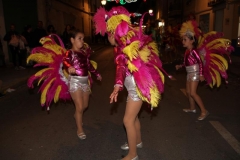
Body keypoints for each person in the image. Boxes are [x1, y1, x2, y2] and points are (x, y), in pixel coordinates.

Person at [94, 6, 165, 160]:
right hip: (134, 87)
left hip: (135, 88)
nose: (107, 37)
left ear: (113, 33)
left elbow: (120, 67)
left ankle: (133, 154)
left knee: (127, 120)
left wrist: (117, 86)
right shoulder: (125, 45)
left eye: (108, 34)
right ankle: (137, 142)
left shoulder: (121, 48)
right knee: (134, 118)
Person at [63, 29, 102, 140]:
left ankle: (77, 115)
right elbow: (65, 61)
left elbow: (89, 66)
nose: (82, 41)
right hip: (75, 81)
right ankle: (79, 129)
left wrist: (97, 74)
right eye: (79, 38)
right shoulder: (69, 52)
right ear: (72, 40)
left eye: (83, 39)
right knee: (79, 107)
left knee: (85, 106)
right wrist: (69, 66)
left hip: (85, 81)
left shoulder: (84, 53)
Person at [175, 21, 209, 121]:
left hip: (195, 73)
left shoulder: (194, 51)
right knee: (189, 92)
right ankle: (192, 108)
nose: (183, 42)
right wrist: (180, 66)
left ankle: (204, 111)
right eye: (183, 40)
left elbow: (200, 62)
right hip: (189, 73)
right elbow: (187, 63)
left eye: (185, 40)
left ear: (191, 41)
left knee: (193, 93)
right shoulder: (187, 51)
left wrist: (201, 74)